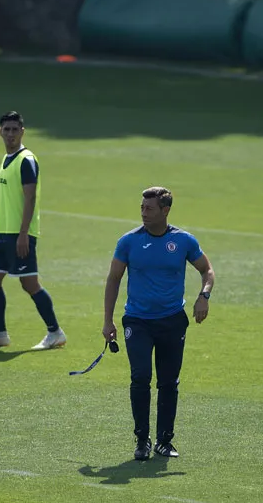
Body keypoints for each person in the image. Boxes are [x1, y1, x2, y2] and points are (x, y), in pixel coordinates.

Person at [102, 187, 215, 461]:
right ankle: (142, 440)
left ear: (165, 211)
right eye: (141, 207)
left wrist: (204, 296)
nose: (143, 212)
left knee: (168, 382)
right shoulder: (128, 242)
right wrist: (108, 320)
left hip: (172, 322)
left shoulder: (184, 241)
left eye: (149, 208)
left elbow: (207, 271)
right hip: (138, 322)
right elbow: (114, 278)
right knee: (140, 377)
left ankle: (164, 442)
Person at [0, 111, 66, 350]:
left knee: (29, 284)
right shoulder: (6, 159)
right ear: (0, 132)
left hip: (19, 234)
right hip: (2, 233)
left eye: (15, 129)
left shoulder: (26, 160)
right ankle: (0, 333)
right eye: (7, 129)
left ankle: (55, 332)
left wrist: (24, 233)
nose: (11, 134)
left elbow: (30, 197)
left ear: (22, 131)